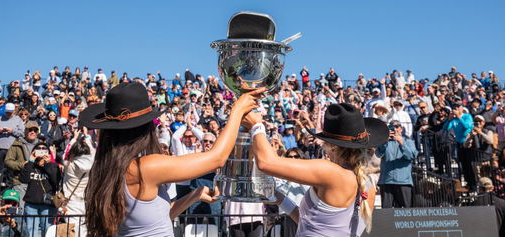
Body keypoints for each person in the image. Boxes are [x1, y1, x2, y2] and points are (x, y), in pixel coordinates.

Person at [81, 83, 263, 236]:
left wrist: (194, 195)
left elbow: (157, 219)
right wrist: (237, 111)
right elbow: (216, 159)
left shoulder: (110, 170)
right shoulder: (144, 167)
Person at [245, 103, 388, 236]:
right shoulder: (368, 187)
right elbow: (316, 224)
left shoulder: (330, 171)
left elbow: (266, 163)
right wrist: (281, 200)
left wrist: (257, 126)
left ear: (331, 146)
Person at [19, 142, 61, 237]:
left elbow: (56, 181)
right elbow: (23, 179)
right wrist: (30, 161)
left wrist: (49, 163)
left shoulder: (53, 165)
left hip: (47, 204)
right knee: (30, 232)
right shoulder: (30, 165)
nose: (41, 151)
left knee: (47, 231)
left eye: (44, 149)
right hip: (31, 204)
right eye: (39, 149)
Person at [61, 127, 94, 237]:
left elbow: (65, 154)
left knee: (73, 230)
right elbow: (92, 151)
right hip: (85, 200)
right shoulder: (92, 162)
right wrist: (87, 135)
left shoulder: (69, 165)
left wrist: (74, 138)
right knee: (84, 229)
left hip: (71, 202)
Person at [378, 120, 418, 208]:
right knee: (386, 212)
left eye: (397, 127)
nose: (394, 129)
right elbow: (378, 154)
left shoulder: (408, 141)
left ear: (401, 129)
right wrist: (384, 141)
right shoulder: (384, 141)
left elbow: (411, 156)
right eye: (392, 127)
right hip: (386, 181)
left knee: (406, 211)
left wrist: (401, 143)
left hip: (403, 181)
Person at [4, 121, 41, 207]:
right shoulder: (17, 144)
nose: (32, 132)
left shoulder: (41, 145)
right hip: (20, 181)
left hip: (37, 181)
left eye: (35, 130)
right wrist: (22, 165)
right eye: (30, 130)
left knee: (34, 210)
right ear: (25, 131)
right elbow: (8, 161)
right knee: (21, 209)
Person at [0, 103, 25, 174]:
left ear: (14, 111)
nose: (8, 114)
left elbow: (22, 133)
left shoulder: (18, 120)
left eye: (10, 112)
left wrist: (12, 131)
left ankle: (9, 184)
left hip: (12, 147)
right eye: (7, 112)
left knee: (10, 169)